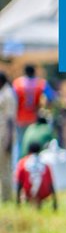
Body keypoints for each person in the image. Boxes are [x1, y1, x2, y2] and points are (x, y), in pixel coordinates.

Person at [12, 64, 56, 158]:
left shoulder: (17, 83)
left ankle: (21, 164)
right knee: (33, 141)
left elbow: (13, 100)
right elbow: (51, 97)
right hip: (33, 118)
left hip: (20, 118)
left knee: (21, 142)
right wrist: (44, 108)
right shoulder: (41, 83)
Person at [15, 141, 56, 210]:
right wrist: (55, 202)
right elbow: (51, 184)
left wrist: (17, 202)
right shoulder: (45, 163)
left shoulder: (22, 163)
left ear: (29, 151)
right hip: (44, 193)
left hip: (28, 193)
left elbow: (19, 183)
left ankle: (31, 203)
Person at [0, 73, 16, 203]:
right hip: (2, 135)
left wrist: (9, 140)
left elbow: (10, 120)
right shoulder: (4, 92)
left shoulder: (8, 94)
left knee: (5, 168)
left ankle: (7, 198)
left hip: (4, 136)